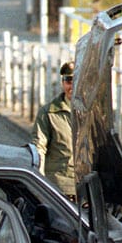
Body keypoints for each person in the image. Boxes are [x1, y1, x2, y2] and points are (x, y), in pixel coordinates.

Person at [32, 61, 76, 201]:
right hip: (60, 188)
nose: (72, 86)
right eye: (68, 80)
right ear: (63, 83)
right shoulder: (48, 113)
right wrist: (40, 183)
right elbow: (39, 147)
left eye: (77, 80)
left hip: (88, 190)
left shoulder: (93, 113)